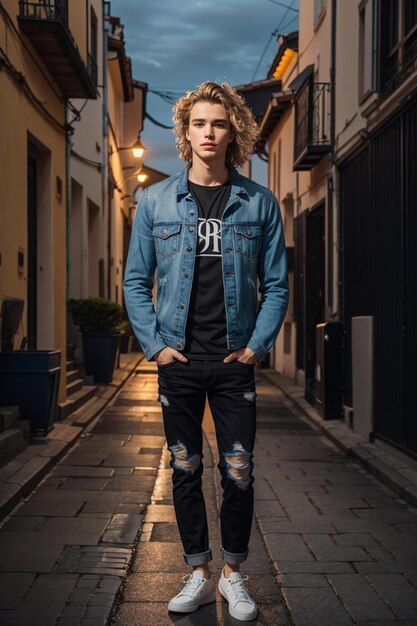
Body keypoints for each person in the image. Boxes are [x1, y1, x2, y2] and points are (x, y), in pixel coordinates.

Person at [123, 81, 288, 621]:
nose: (208, 133)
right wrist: (155, 347)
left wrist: (256, 346)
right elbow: (135, 281)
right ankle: (196, 571)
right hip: (180, 360)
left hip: (232, 359)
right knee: (185, 466)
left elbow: (277, 285)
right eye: (199, 124)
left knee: (238, 468)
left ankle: (233, 574)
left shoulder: (258, 203)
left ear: (232, 130)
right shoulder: (155, 200)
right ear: (185, 132)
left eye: (218, 123)